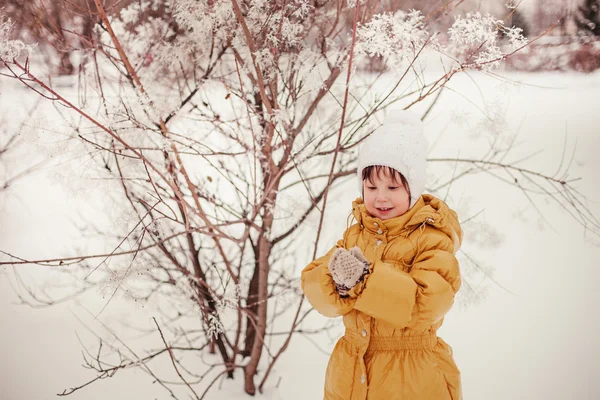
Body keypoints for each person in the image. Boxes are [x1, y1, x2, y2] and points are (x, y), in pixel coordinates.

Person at [301, 110, 463, 400]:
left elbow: (425, 305)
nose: (381, 196)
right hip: (350, 370)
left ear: (413, 190)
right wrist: (334, 281)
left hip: (410, 376)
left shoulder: (431, 238)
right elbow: (319, 294)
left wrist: (364, 281)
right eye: (371, 186)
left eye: (392, 187)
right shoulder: (356, 234)